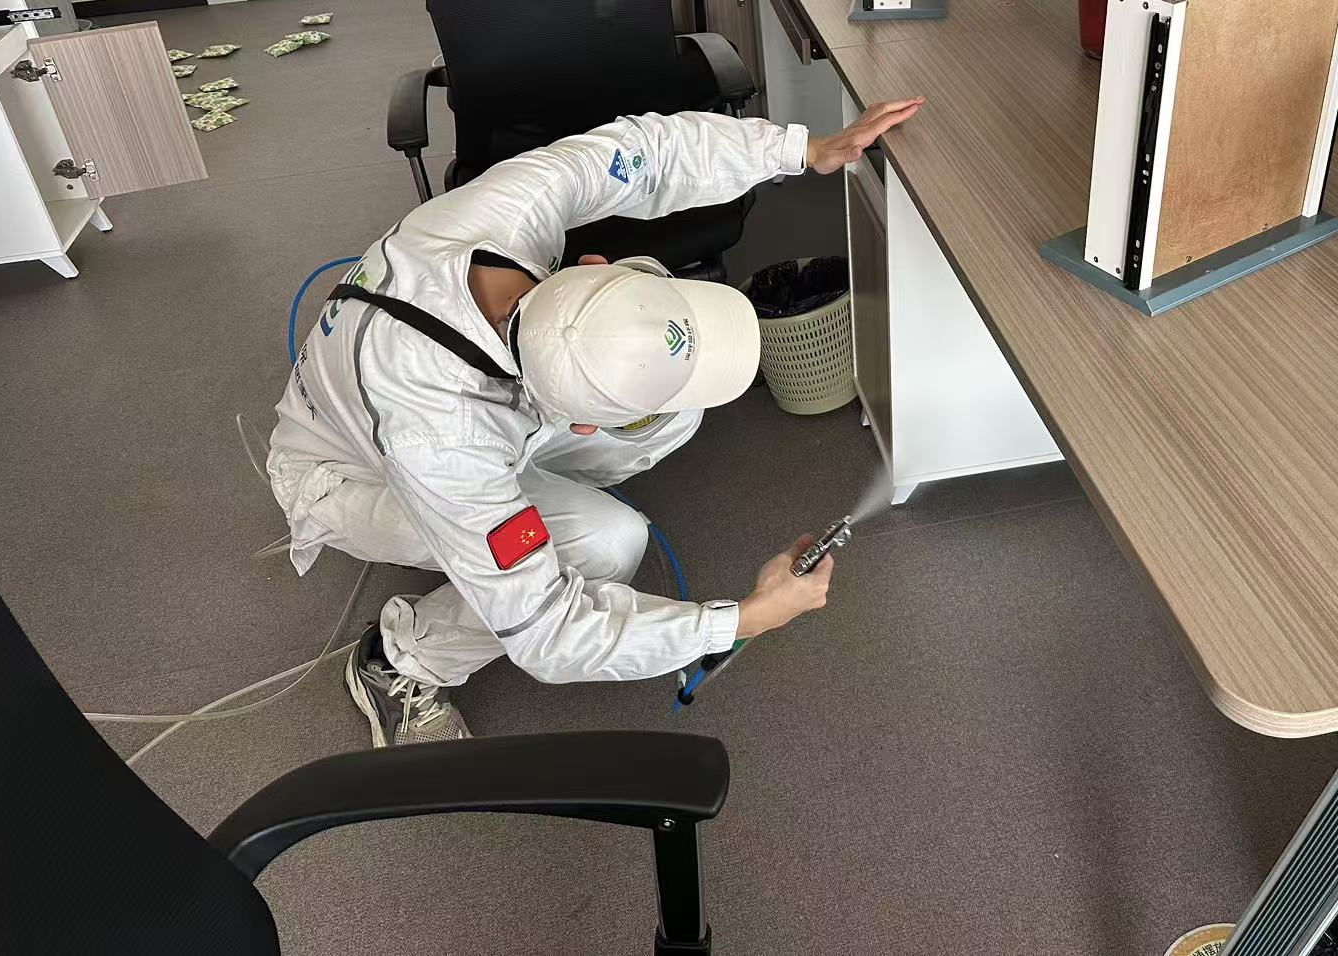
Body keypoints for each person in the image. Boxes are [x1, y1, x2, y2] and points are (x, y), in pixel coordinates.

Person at [266, 98, 922, 745]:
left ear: (592, 272)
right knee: (605, 544)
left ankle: (527, 510)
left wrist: (804, 149)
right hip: (351, 473)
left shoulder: (514, 208)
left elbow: (648, 151)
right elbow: (548, 635)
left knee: (674, 413)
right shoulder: (443, 441)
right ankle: (398, 660)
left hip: (460, 415)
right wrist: (741, 620)